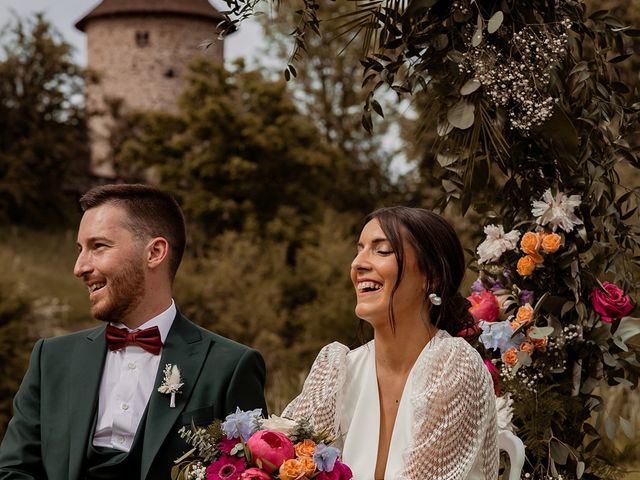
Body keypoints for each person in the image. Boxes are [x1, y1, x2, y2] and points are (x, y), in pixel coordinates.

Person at [0, 184, 268, 480]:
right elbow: (12, 471)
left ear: (154, 252)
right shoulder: (50, 359)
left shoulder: (230, 367)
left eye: (98, 246)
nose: (79, 267)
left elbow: (250, 473)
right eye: (80, 250)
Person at [283, 206, 498, 479]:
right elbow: (289, 460)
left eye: (381, 250)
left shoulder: (453, 367)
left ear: (431, 277)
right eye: (359, 249)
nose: (358, 264)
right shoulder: (337, 371)